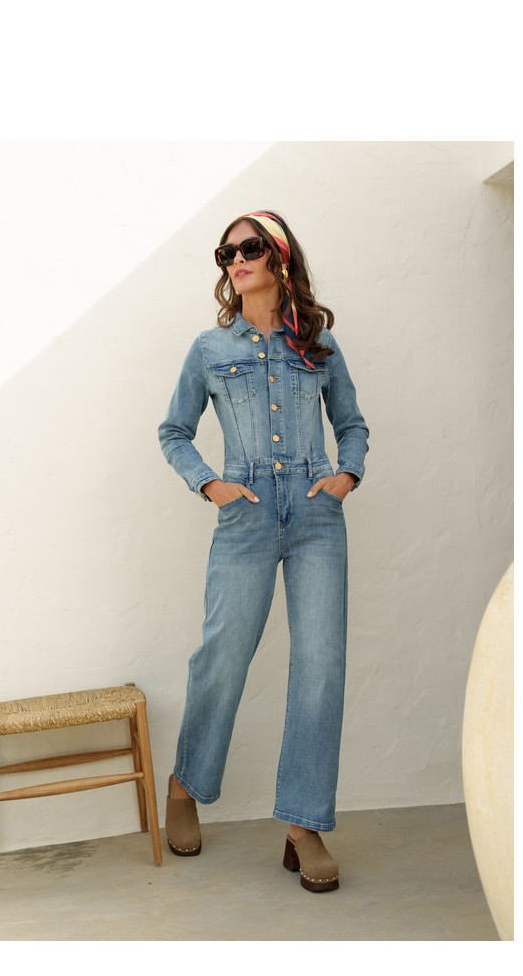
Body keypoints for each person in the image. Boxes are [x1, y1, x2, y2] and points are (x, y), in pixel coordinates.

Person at [157, 211, 369, 892]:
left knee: (321, 666)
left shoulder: (319, 344)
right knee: (223, 654)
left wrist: (347, 474)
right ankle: (186, 785)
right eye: (226, 253)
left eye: (248, 248)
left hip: (315, 518)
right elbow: (174, 431)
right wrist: (209, 483)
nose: (236, 260)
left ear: (279, 257)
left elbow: (352, 423)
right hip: (245, 514)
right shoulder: (210, 348)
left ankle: (303, 827)